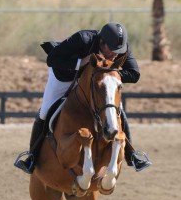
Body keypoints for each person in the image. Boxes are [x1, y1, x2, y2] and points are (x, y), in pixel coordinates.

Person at [14, 22, 152, 174]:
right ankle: (32, 156)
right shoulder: (83, 39)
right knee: (45, 111)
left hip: (96, 82)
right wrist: (81, 63)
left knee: (115, 109)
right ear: (102, 42)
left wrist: (109, 73)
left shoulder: (120, 47)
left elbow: (134, 74)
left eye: (118, 51)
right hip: (65, 76)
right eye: (112, 50)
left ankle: (131, 154)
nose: (115, 54)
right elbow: (52, 59)